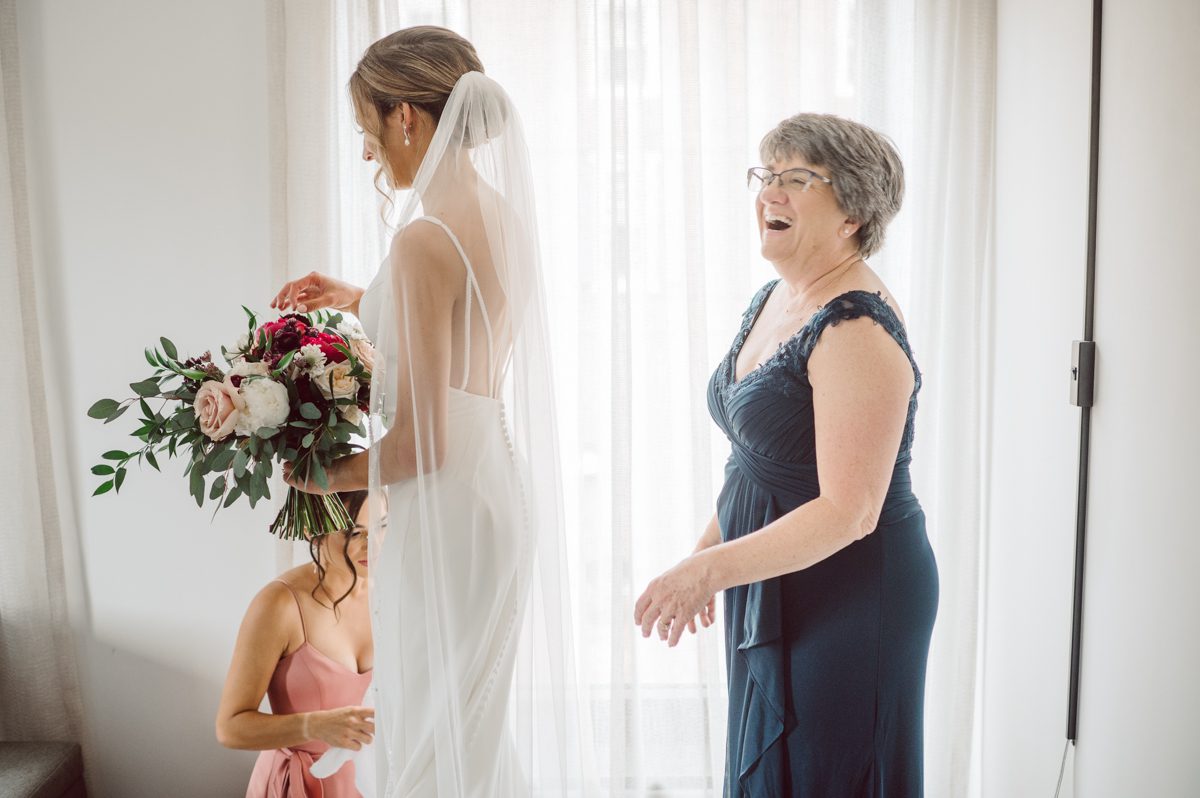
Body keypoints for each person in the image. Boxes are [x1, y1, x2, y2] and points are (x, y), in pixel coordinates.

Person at [271, 26, 590, 797]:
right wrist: (361, 297)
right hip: (495, 492)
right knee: (463, 730)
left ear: (405, 116)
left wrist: (314, 477)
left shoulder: (422, 241)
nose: (367, 152)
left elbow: (419, 445)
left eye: (366, 130)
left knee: (431, 733)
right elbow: (460, 330)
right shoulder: (496, 212)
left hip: (447, 508)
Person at [634, 113, 939, 796]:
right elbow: (753, 460)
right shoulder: (776, 296)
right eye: (765, 175)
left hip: (854, 591)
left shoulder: (856, 325)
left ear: (852, 214)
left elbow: (848, 511)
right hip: (774, 574)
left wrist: (709, 571)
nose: (770, 192)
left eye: (796, 178)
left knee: (827, 772)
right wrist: (703, 557)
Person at [217, 490, 376, 797]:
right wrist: (313, 726)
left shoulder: (395, 591)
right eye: (355, 533)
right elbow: (230, 727)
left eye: (381, 527)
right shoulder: (279, 604)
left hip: (372, 781)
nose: (373, 545)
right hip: (302, 785)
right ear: (311, 528)